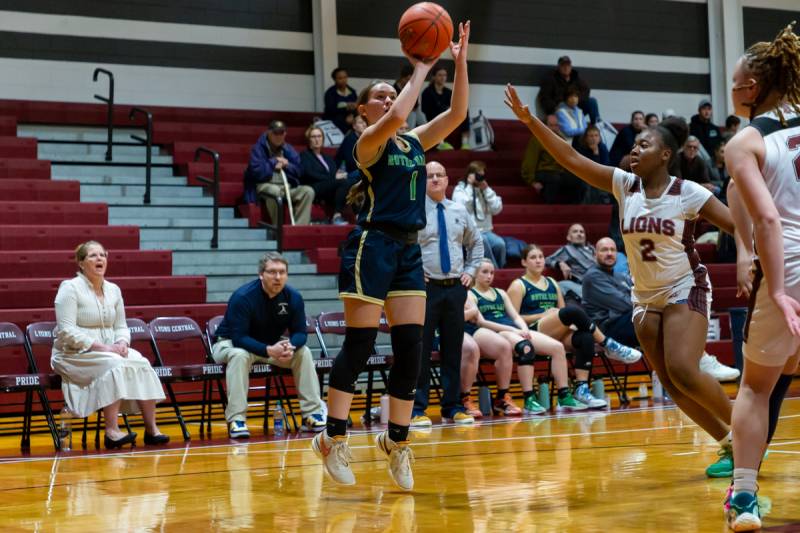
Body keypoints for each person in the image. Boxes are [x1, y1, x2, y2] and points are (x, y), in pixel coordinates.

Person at [504, 83, 740, 479]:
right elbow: (569, 156)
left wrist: (753, 254)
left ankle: (747, 433)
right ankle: (728, 442)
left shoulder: (689, 193)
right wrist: (530, 122)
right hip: (644, 296)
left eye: (644, 145)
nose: (634, 149)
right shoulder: (622, 184)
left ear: (665, 155)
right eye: (634, 144)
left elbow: (737, 225)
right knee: (670, 382)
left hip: (685, 285)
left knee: (683, 368)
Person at [310, 21, 471, 491]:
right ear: (362, 111)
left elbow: (457, 113)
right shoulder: (368, 143)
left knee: (410, 351)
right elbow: (399, 114)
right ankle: (333, 437)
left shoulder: (415, 142)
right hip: (371, 244)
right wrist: (420, 68)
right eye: (377, 97)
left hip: (407, 249)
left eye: (389, 95)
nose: (386, 100)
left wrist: (457, 61)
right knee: (359, 346)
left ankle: (397, 442)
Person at [723, 22, 800, 530]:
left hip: (790, 259)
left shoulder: (745, 142)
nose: (731, 92)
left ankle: (745, 498)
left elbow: (769, 217)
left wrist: (773, 283)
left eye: (733, 84)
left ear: (751, 89)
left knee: (756, 387)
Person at [51, 241, 168, 449]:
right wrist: (104, 348)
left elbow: (121, 325)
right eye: (93, 256)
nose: (99, 259)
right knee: (114, 364)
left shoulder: (114, 290)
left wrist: (122, 342)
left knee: (140, 361)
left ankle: (151, 429)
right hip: (72, 354)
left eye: (103, 255)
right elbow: (66, 331)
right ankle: (112, 431)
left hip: (108, 350)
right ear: (81, 263)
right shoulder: (69, 288)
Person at [508, 244, 642, 409]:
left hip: (556, 330)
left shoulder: (552, 283)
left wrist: (567, 322)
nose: (538, 261)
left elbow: (562, 312)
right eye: (533, 258)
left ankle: (581, 389)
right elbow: (513, 318)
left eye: (541, 257)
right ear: (523, 262)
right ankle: (608, 344)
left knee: (584, 338)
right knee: (572, 312)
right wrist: (541, 315)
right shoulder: (518, 285)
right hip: (533, 330)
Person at [212, 252, 326, 438]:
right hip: (229, 344)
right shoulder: (243, 297)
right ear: (261, 274)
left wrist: (290, 346)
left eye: (282, 272)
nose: (278, 277)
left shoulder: (293, 297)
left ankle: (311, 414)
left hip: (269, 345)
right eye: (272, 272)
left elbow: (300, 333)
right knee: (239, 355)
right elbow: (239, 337)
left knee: (303, 352)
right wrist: (268, 350)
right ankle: (236, 420)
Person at [412, 160, 484, 427]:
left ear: (446, 179)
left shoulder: (458, 210)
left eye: (439, 175)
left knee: (453, 349)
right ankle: (417, 409)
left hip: (455, 288)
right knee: (421, 349)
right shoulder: (415, 211)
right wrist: (414, 270)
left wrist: (472, 269)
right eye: (429, 175)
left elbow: (476, 242)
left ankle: (452, 406)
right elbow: (403, 246)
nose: (434, 179)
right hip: (426, 289)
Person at [467, 259, 588, 413]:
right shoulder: (470, 294)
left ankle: (564, 396)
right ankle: (529, 398)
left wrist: (523, 329)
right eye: (484, 272)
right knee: (525, 348)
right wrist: (514, 330)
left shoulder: (500, 293)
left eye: (491, 272)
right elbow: (482, 322)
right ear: (475, 274)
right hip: (496, 332)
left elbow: (516, 316)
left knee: (557, 348)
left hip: (513, 329)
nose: (489, 276)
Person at [244, 120, 314, 225]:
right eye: (275, 133)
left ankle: (300, 228)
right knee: (275, 191)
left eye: (281, 133)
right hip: (265, 185)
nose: (278, 136)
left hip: (286, 186)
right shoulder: (258, 148)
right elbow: (257, 173)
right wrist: (273, 162)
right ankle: (277, 229)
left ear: (285, 134)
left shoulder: (288, 149)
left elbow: (300, 170)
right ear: (269, 132)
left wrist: (288, 165)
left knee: (308, 191)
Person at [452, 161, 507, 268]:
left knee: (500, 244)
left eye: (482, 174)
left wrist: (487, 190)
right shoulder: (460, 189)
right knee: (483, 241)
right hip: (468, 232)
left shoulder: (485, 190)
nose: (479, 177)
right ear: (469, 174)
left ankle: (499, 269)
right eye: (477, 174)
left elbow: (497, 209)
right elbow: (460, 208)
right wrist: (469, 187)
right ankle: (494, 272)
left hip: (486, 231)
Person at [521, 115, 586, 204]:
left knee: (578, 180)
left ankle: (574, 209)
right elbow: (530, 162)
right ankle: (548, 208)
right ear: (545, 126)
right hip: (543, 171)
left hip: (558, 172)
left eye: (556, 125)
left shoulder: (561, 139)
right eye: (551, 125)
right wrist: (532, 181)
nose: (554, 128)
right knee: (554, 179)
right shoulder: (537, 139)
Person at [299, 124, 356, 225]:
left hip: (329, 186)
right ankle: (336, 216)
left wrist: (337, 175)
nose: (317, 139)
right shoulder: (304, 155)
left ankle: (359, 216)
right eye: (313, 137)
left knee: (353, 183)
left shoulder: (328, 158)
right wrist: (333, 177)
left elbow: (334, 172)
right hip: (314, 186)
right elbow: (309, 174)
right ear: (309, 140)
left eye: (319, 136)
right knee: (343, 183)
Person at [538, 55, 599, 124]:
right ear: (559, 67)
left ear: (571, 67)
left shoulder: (576, 78)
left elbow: (586, 91)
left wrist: (575, 100)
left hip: (576, 109)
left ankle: (597, 126)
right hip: (560, 110)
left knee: (592, 102)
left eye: (568, 65)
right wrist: (556, 107)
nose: (566, 68)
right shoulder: (551, 80)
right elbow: (544, 98)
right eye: (563, 66)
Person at [420, 65, 470, 149]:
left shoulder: (449, 92)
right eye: (440, 75)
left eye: (444, 75)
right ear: (434, 77)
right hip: (432, 117)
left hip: (447, 116)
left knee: (464, 110)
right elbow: (425, 110)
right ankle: (440, 143)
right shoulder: (427, 92)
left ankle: (465, 142)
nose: (443, 78)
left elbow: (455, 105)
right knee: (439, 111)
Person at [545, 223, 595, 301]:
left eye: (582, 232)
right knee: (561, 285)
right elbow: (547, 260)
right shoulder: (567, 249)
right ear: (568, 237)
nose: (579, 234)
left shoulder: (593, 249)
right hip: (584, 286)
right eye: (575, 231)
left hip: (603, 283)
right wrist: (560, 264)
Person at [578, 124, 611, 204]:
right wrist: (595, 154)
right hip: (584, 175)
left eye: (596, 136)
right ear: (586, 138)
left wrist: (596, 153)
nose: (594, 138)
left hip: (600, 175)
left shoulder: (602, 148)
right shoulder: (581, 148)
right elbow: (584, 167)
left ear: (599, 138)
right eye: (591, 136)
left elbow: (605, 166)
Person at [323, 67, 358, 134]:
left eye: (345, 77)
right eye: (340, 78)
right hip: (335, 120)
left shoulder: (352, 91)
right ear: (334, 79)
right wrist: (346, 108)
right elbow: (330, 110)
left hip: (350, 118)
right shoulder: (330, 93)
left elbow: (357, 106)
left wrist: (352, 115)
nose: (343, 80)